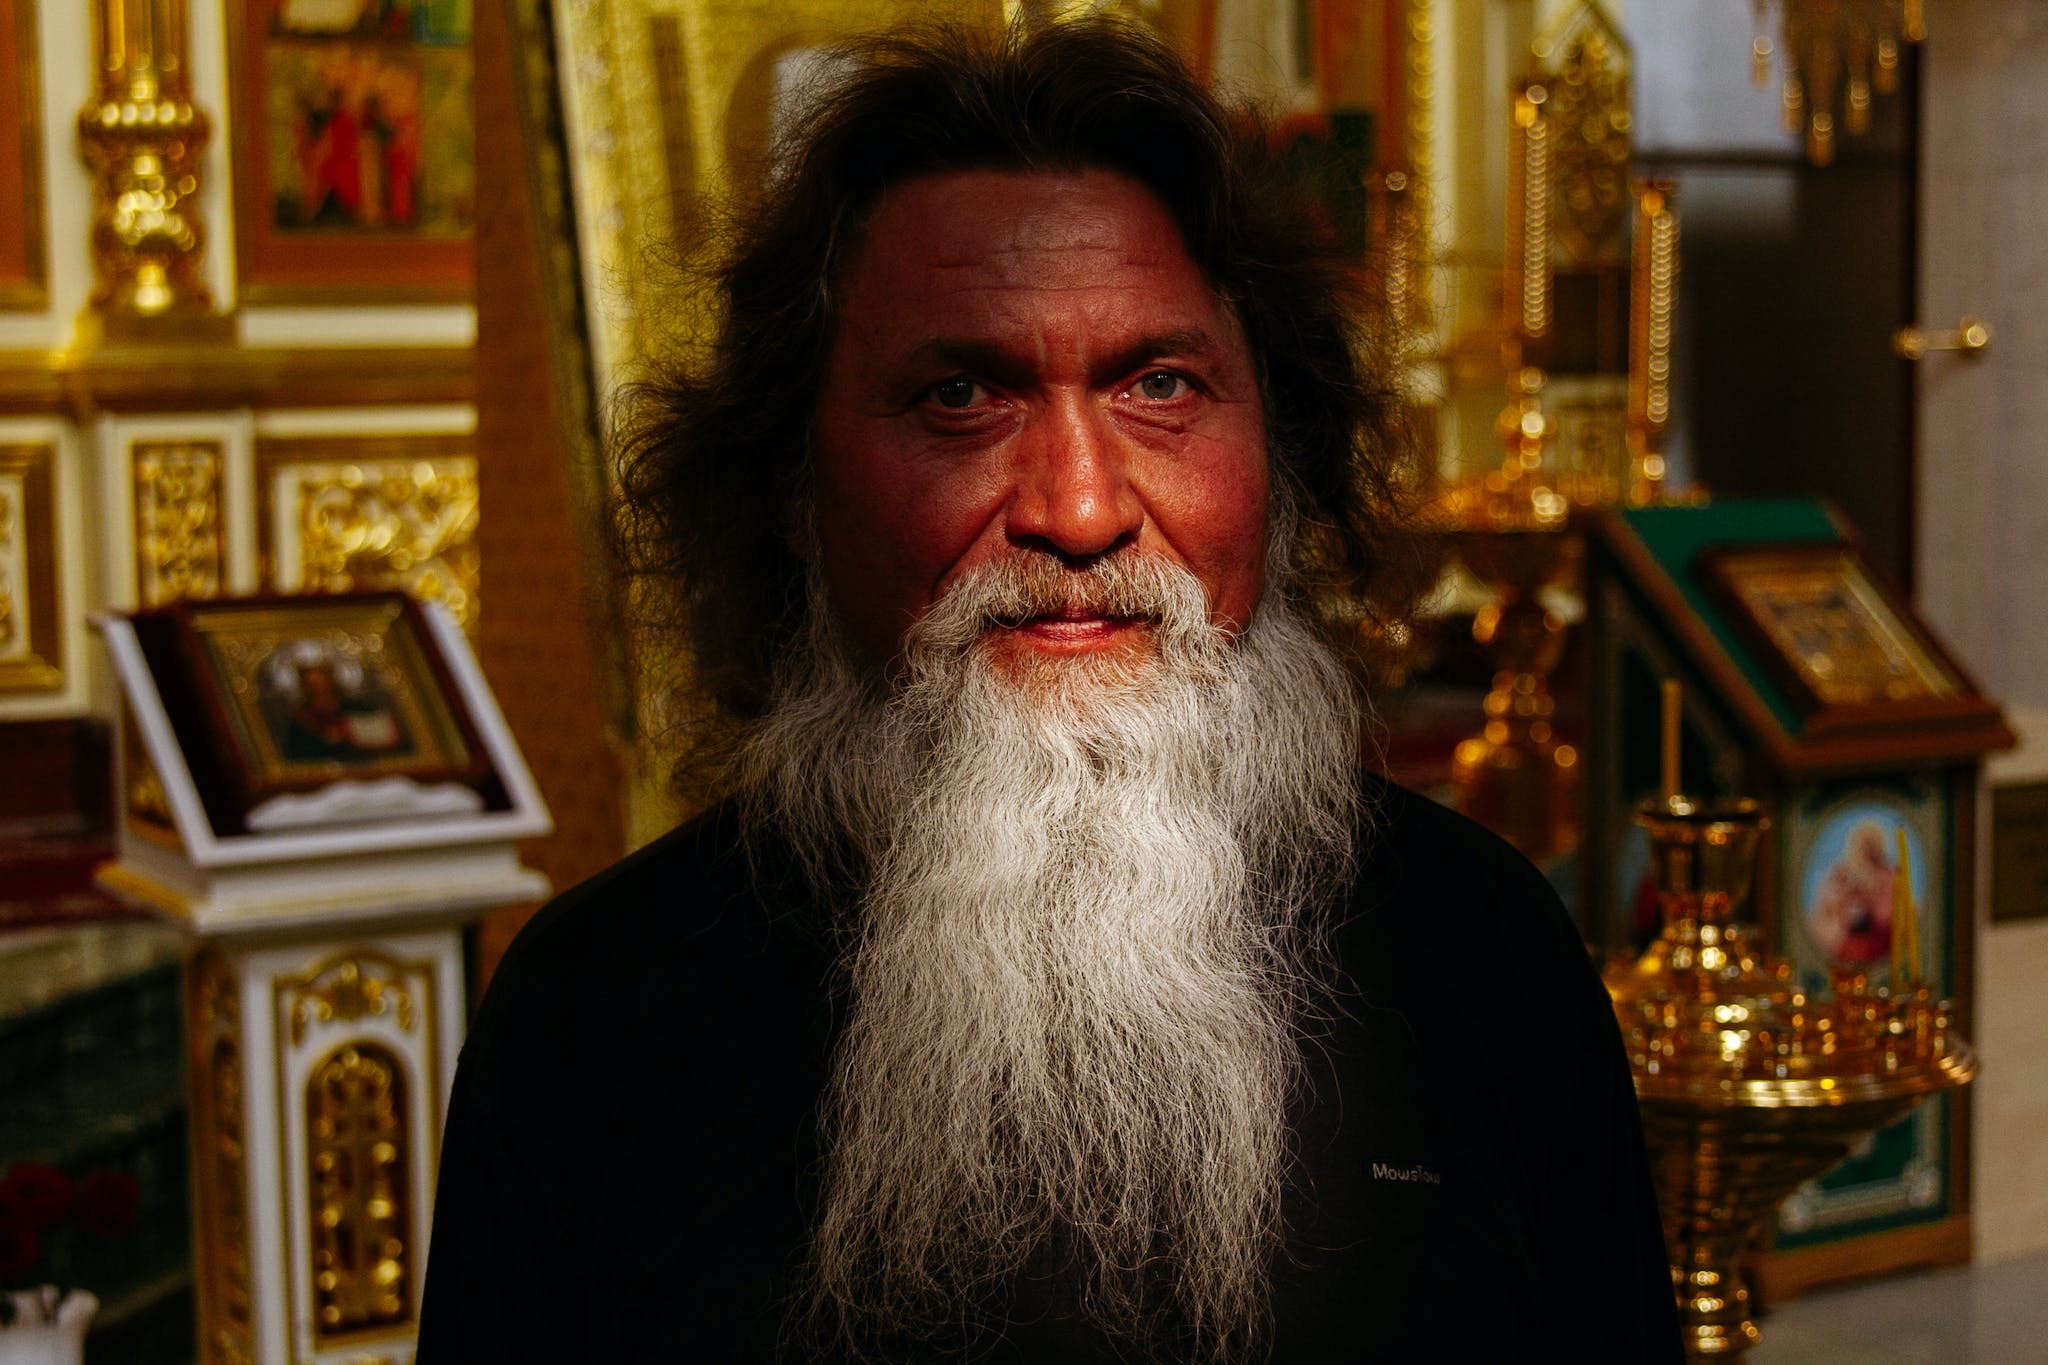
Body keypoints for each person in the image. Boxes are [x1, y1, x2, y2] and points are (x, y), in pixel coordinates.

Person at [418, 20, 1680, 1363]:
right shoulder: (592, 1017)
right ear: (791, 488)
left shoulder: (1485, 955)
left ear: (1283, 458)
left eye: (1161, 385)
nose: (1079, 511)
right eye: (960, 394)